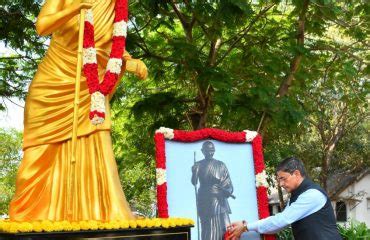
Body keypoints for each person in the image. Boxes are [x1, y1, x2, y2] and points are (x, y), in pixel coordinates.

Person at [9, 0, 147, 221]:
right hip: (52, 82)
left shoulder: (113, 3)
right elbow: (42, 26)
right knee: (38, 152)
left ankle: (96, 214)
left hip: (90, 88)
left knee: (97, 137)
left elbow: (110, 42)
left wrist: (129, 62)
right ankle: (27, 214)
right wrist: (74, 9)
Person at [228, 157, 342, 240]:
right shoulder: (297, 195)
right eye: (279, 180)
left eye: (283, 178)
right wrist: (247, 225)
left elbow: (281, 220)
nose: (281, 184)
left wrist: (246, 227)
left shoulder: (312, 195)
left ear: (296, 174)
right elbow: (278, 223)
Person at [191, 141, 234, 240]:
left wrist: (227, 190)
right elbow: (194, 182)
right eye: (208, 151)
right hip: (205, 200)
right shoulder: (198, 164)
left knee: (225, 228)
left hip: (220, 200)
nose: (210, 153)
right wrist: (194, 172)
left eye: (212, 151)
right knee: (208, 229)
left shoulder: (221, 165)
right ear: (203, 151)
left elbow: (229, 185)